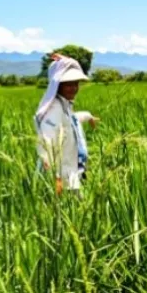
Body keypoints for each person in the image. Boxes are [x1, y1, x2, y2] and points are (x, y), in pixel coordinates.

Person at [34, 53, 99, 194]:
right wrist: (55, 178)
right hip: (62, 180)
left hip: (73, 172)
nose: (74, 88)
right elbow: (46, 143)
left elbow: (72, 120)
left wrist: (88, 116)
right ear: (57, 85)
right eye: (68, 84)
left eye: (76, 84)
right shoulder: (53, 110)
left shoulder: (65, 105)